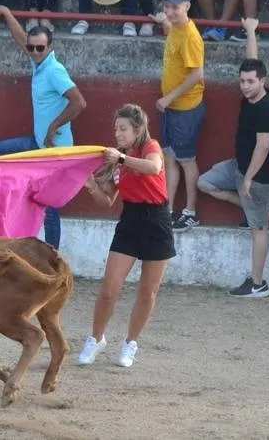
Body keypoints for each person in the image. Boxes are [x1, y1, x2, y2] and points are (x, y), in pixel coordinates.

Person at [76, 104, 175, 368]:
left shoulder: (150, 147)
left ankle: (131, 343)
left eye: (123, 129)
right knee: (109, 288)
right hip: (130, 220)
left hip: (157, 220)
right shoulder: (117, 160)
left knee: (148, 291)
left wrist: (120, 158)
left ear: (138, 130)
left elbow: (153, 168)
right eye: (116, 129)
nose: (118, 134)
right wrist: (92, 187)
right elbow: (107, 200)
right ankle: (96, 338)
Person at [0, 5, 87, 249]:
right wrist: (8, 13)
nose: (34, 52)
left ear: (50, 48)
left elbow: (79, 102)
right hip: (38, 144)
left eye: (40, 48)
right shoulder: (38, 62)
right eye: (31, 48)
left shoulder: (54, 70)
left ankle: (52, 257)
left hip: (55, 152)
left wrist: (54, 126)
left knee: (50, 209)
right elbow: (21, 39)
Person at [197, 17, 269, 298]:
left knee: (259, 229)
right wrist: (251, 31)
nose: (245, 86)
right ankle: (251, 208)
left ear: (262, 82)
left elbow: (264, 147)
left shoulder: (266, 108)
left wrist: (247, 180)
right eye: (242, 81)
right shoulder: (253, 94)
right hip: (240, 166)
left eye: (250, 82)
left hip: (259, 177)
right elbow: (252, 61)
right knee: (204, 182)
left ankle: (258, 283)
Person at [150, 0, 205, 232]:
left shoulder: (191, 36)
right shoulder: (175, 26)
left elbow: (197, 74)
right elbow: (172, 33)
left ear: (187, 6)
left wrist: (168, 98)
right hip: (174, 108)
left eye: (175, 7)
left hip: (184, 109)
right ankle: (169, 209)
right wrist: (165, 22)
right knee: (170, 156)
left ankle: (190, 212)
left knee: (186, 160)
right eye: (167, 6)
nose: (170, 11)